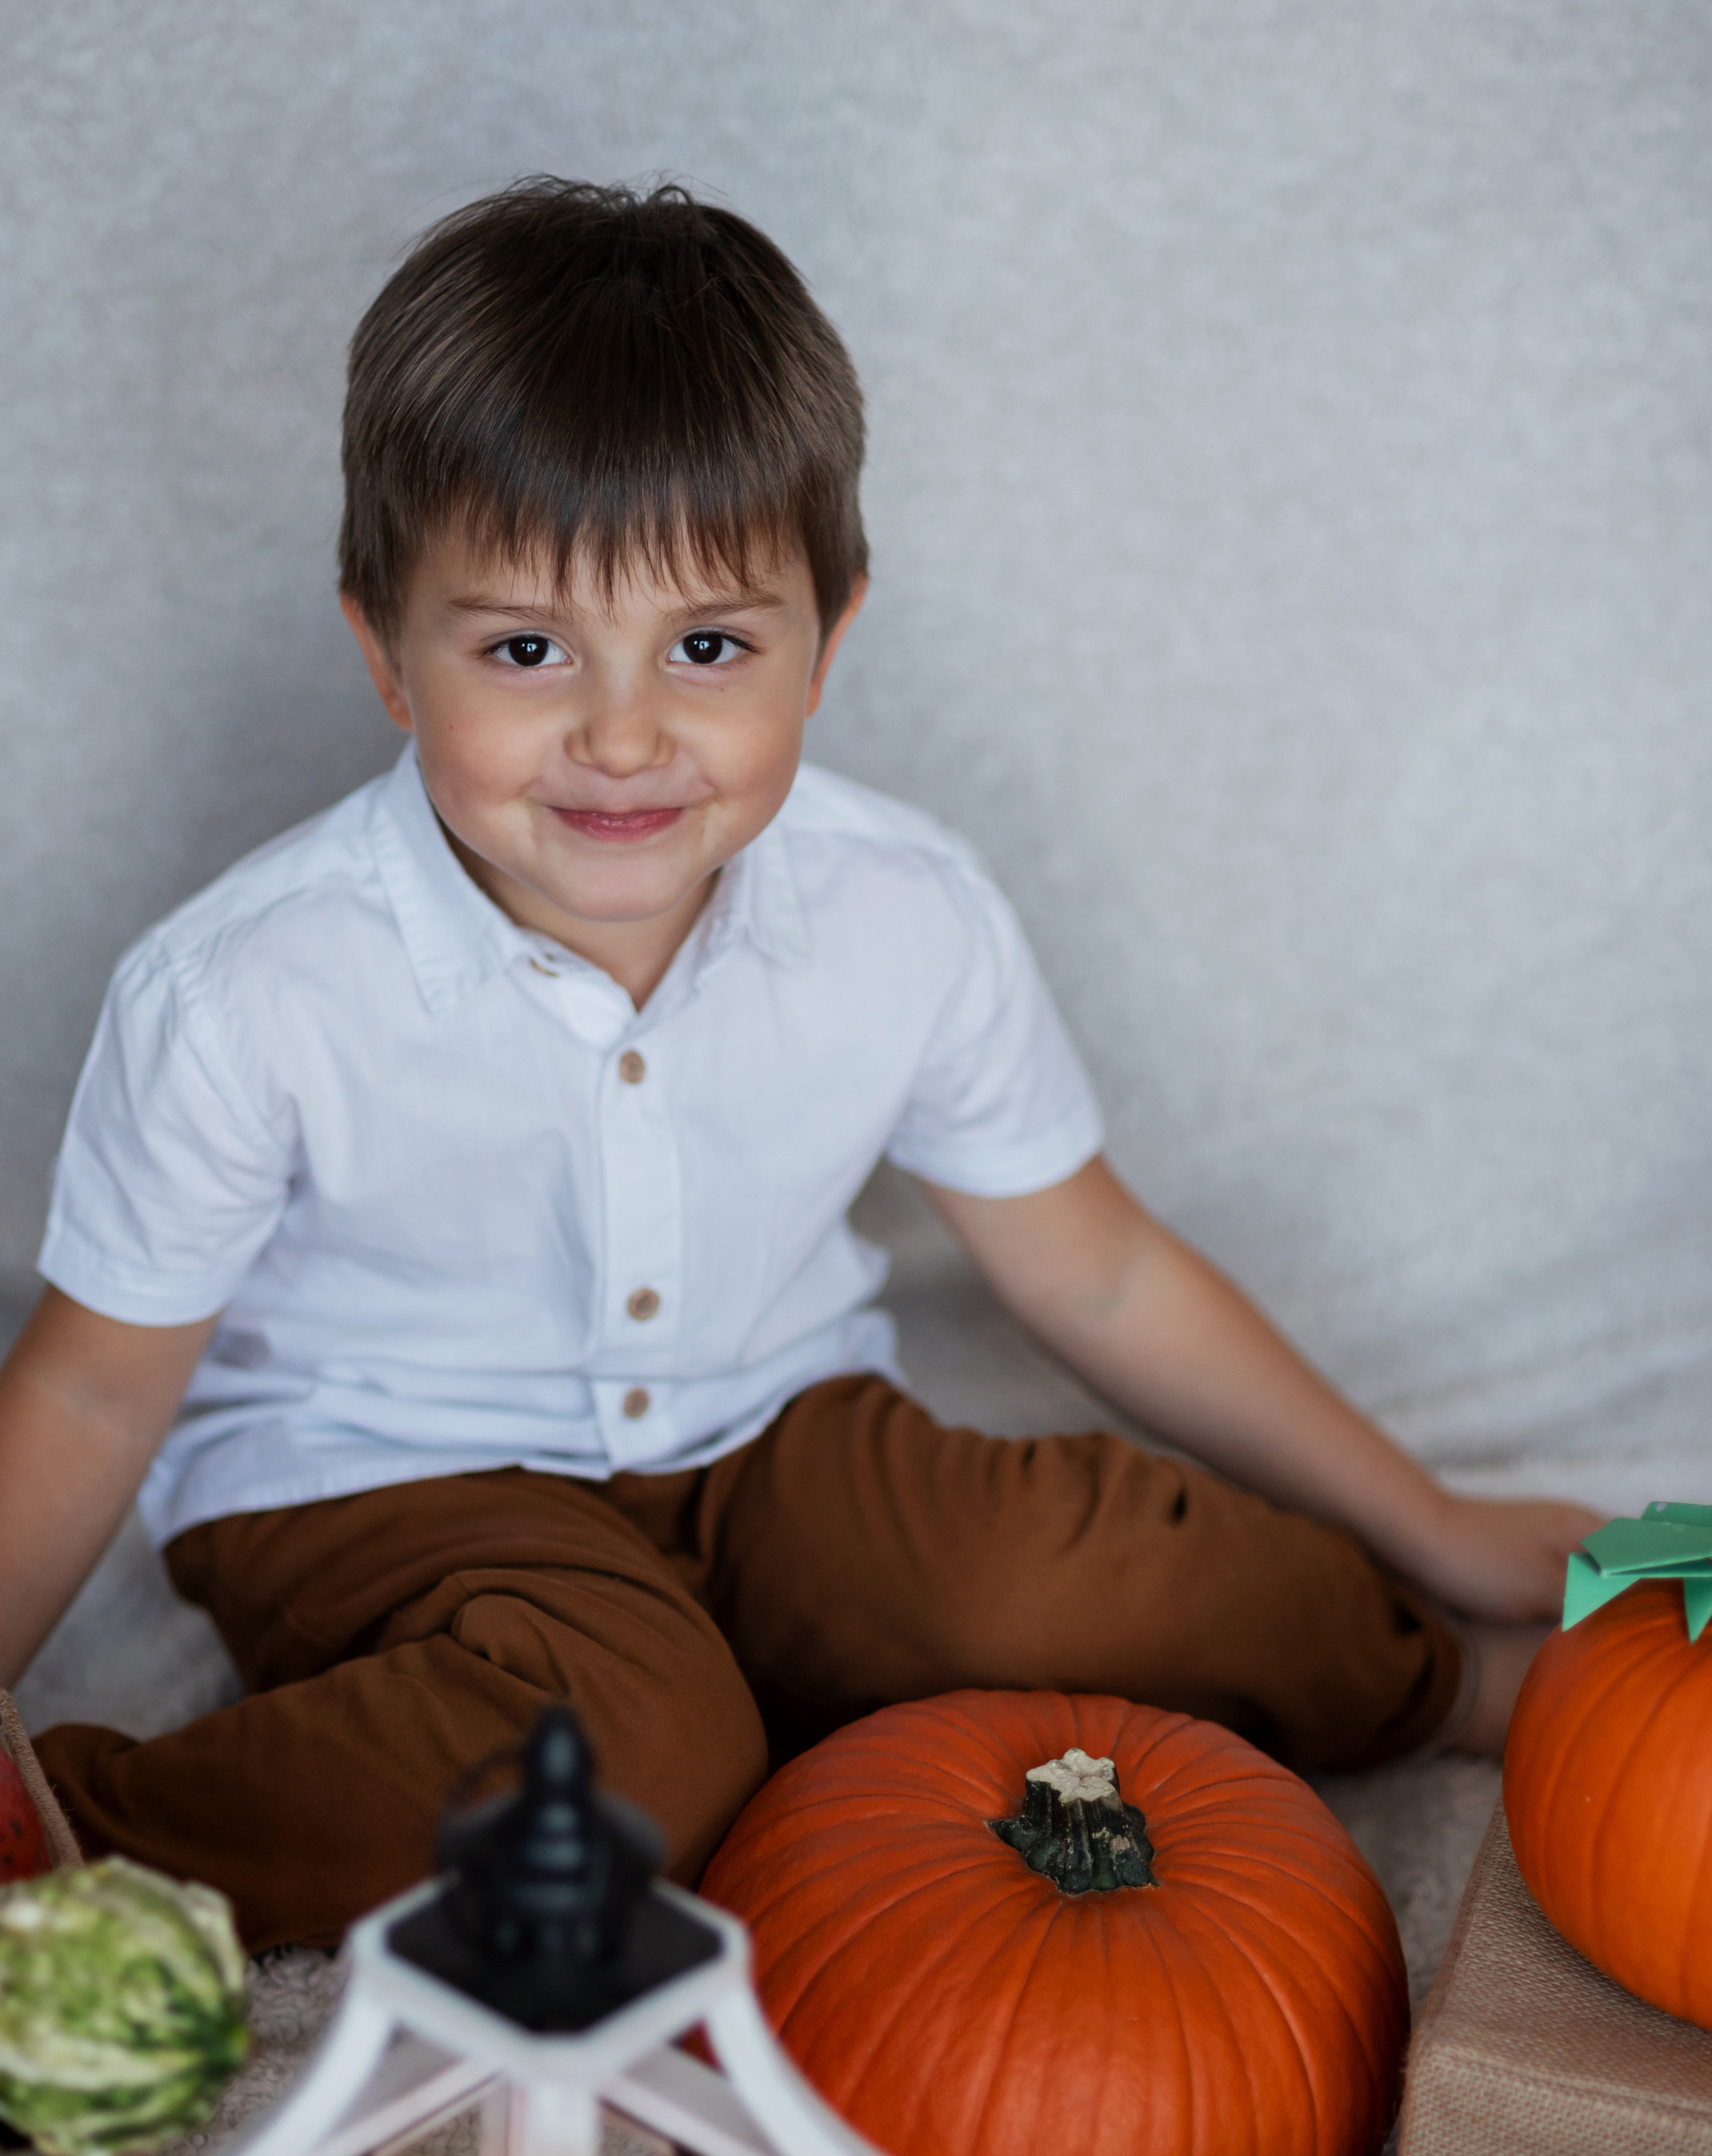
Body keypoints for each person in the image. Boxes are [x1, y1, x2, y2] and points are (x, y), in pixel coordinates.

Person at [0, 181, 1596, 1951]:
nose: (622, 733)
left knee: (1053, 1566)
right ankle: (68, 1843)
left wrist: (1432, 1524)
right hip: (375, 1481)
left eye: (708, 646)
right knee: (640, 1746)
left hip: (766, 1432)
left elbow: (1106, 1264)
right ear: (385, 647)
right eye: (526, 648)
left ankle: (1441, 1680)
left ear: (829, 640)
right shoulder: (244, 988)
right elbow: (90, 1394)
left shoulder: (900, 908)